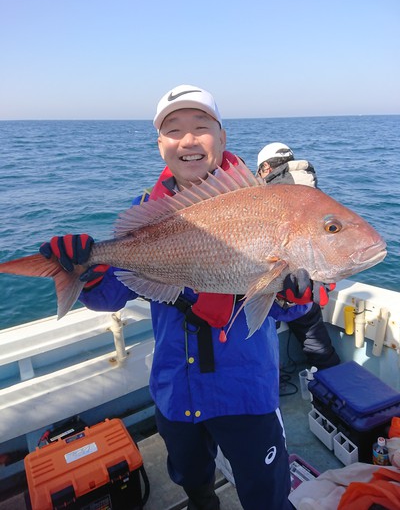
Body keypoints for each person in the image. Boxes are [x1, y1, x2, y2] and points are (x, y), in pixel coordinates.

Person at [39, 86, 334, 510]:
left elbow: (297, 304)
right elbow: (112, 296)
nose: (188, 140)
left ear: (223, 137)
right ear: (160, 145)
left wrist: (295, 295)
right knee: (193, 482)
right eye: (173, 130)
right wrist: (85, 271)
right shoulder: (147, 210)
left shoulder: (265, 202)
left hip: (245, 392)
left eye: (201, 127)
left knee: (266, 492)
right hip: (176, 389)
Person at [256, 142, 341, 370]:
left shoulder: (270, 191)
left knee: (264, 344)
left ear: (265, 167)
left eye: (259, 172)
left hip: (283, 289)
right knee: (317, 344)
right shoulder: (310, 187)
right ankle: (334, 389)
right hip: (311, 288)